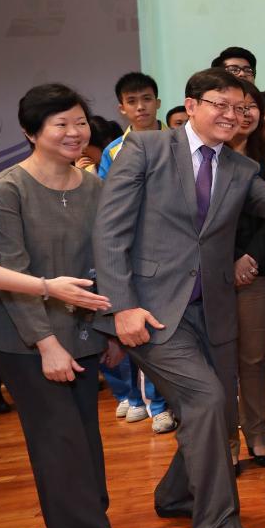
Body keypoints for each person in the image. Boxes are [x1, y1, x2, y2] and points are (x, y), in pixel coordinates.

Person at [93, 67, 265, 528]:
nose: (232, 115)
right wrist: (122, 307)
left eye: (241, 108)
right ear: (192, 105)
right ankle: (217, 525)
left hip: (212, 310)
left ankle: (177, 493)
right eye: (221, 104)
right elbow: (109, 231)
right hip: (152, 311)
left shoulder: (239, 167)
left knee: (209, 408)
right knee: (209, 400)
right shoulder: (147, 149)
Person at [0, 84, 120, 528]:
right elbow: (11, 275)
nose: (73, 132)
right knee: (56, 435)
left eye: (79, 122)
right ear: (31, 131)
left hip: (82, 330)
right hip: (23, 337)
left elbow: (105, 263)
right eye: (59, 124)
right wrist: (46, 344)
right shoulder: (6, 190)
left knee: (84, 431)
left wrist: (108, 329)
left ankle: (93, 520)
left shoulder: (94, 187)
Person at [93, 72, 172, 431]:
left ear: (158, 102)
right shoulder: (114, 151)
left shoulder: (176, 140)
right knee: (144, 329)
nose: (141, 107)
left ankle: (168, 400)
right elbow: (109, 207)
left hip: (175, 248)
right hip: (138, 251)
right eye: (132, 101)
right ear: (121, 108)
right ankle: (155, 404)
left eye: (147, 99)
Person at [228, 85, 265, 470]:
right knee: (219, 363)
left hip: (259, 271)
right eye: (238, 107)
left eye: (253, 108)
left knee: (255, 359)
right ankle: (226, 442)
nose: (246, 114)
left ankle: (258, 436)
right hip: (211, 273)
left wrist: (250, 259)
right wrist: (231, 259)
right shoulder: (209, 157)